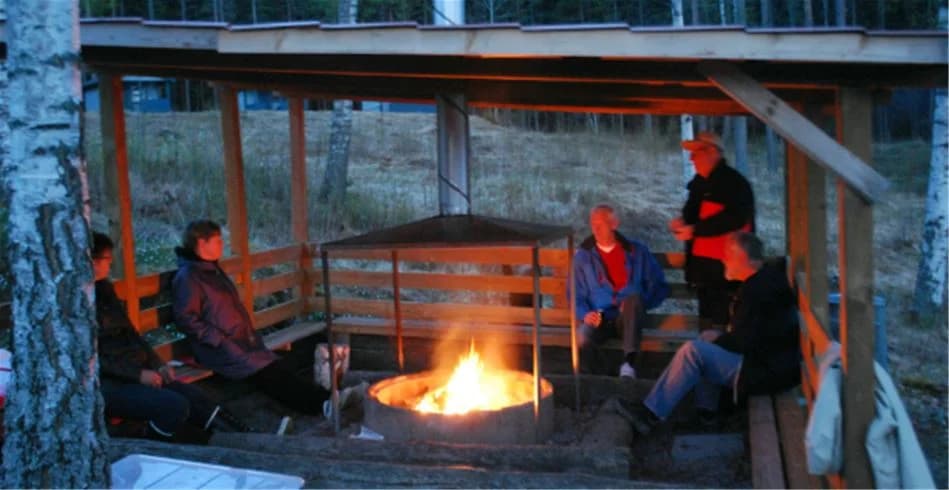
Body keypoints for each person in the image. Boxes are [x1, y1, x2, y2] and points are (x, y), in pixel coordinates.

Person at [613, 232, 800, 434]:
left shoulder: (759, 290)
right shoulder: (762, 281)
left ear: (747, 259)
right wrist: (718, 337)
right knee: (704, 342)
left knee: (693, 351)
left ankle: (650, 415)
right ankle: (707, 416)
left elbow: (744, 341)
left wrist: (720, 338)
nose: (724, 260)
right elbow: (751, 335)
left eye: (730, 255)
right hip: (769, 365)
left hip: (764, 371)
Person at [171, 220, 342, 419]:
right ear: (201, 243)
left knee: (273, 365)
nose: (222, 245)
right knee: (266, 371)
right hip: (217, 348)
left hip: (238, 341)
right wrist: (218, 339)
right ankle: (319, 405)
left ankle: (322, 400)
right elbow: (185, 318)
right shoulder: (189, 277)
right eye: (217, 241)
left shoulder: (211, 270)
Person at [92, 232, 251, 444]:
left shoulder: (104, 290)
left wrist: (157, 364)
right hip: (107, 384)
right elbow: (92, 360)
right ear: (91, 260)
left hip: (134, 371)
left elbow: (132, 334)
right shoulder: (74, 303)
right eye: (107, 259)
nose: (110, 264)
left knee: (193, 396)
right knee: (175, 405)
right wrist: (138, 374)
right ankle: (149, 447)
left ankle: (240, 437)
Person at [669, 131, 755, 330]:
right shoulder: (699, 184)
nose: (691, 158)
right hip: (703, 271)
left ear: (713, 152)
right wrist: (682, 223)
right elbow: (692, 214)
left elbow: (735, 219)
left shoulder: (735, 184)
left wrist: (695, 229)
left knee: (724, 325)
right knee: (706, 323)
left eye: (696, 153)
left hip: (727, 274)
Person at [573, 205, 669, 378]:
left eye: (600, 224)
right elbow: (575, 294)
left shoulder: (637, 252)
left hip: (628, 318)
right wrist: (585, 314)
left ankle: (628, 364)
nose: (595, 229)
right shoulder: (583, 256)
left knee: (633, 300)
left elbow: (659, 285)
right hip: (600, 317)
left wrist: (640, 304)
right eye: (593, 224)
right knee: (582, 337)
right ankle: (604, 377)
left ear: (614, 224)